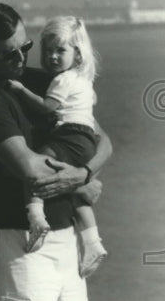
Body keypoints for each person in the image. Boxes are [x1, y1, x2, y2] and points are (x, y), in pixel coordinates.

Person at [0, 3, 111, 301]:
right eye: (8, 53)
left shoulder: (47, 82)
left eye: (25, 47)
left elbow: (103, 142)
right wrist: (79, 182)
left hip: (65, 237)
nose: (20, 59)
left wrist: (85, 173)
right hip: (16, 241)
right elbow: (28, 167)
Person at [7, 16, 108, 277]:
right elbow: (93, 107)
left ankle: (36, 219)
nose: (52, 56)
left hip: (69, 135)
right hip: (86, 141)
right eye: (47, 51)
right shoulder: (83, 79)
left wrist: (20, 91)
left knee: (36, 167)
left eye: (60, 51)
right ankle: (93, 242)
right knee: (76, 194)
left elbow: (47, 107)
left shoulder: (62, 80)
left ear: (77, 54)